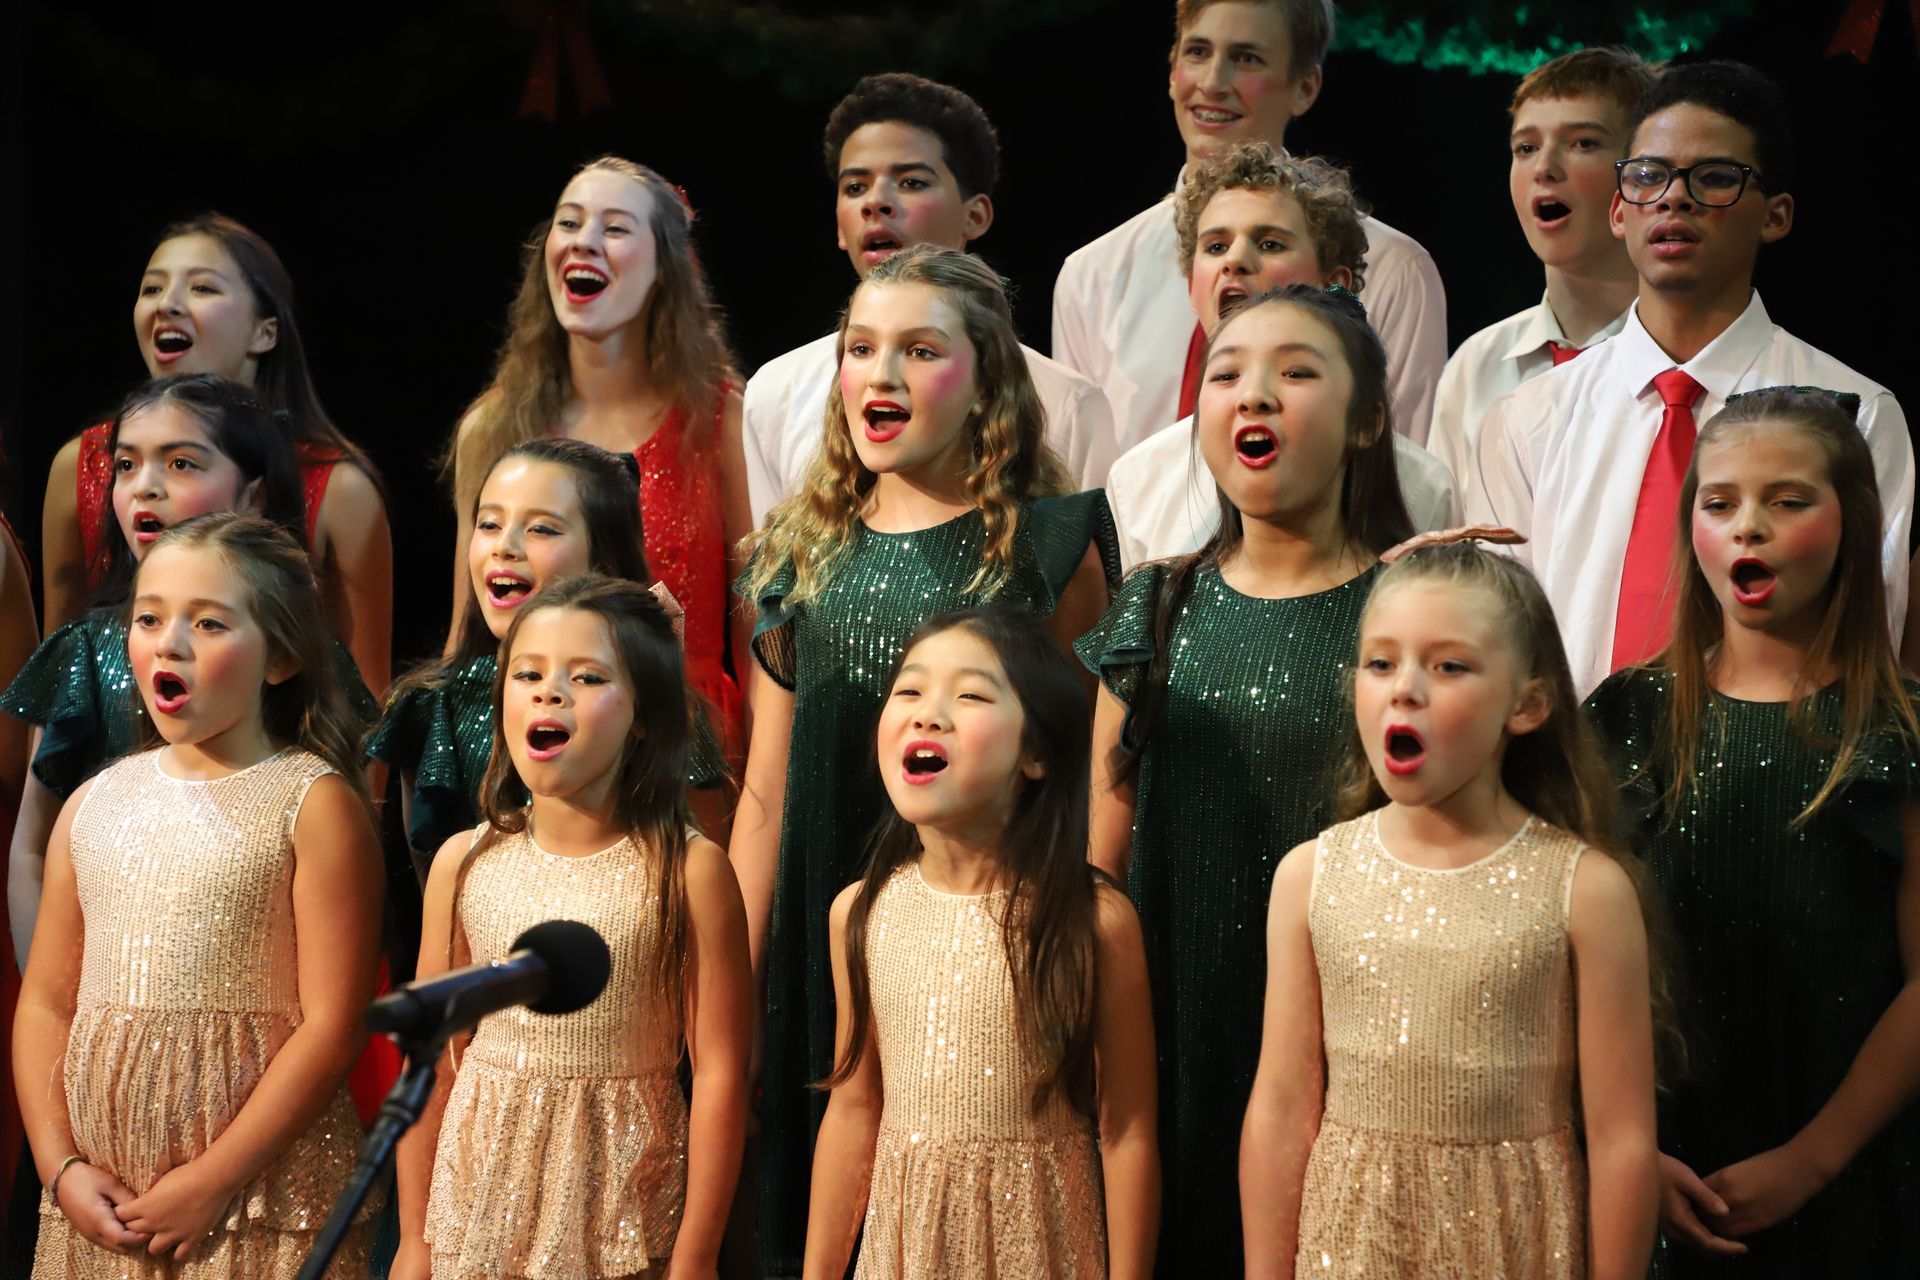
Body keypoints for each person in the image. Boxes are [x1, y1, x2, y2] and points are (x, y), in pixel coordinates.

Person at [730, 245, 1115, 1275]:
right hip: (834, 928)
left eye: (920, 349)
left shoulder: (1046, 544)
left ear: (986, 382)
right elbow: (766, 788)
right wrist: (734, 965)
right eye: (862, 348)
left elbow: (1086, 761)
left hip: (999, 946)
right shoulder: (797, 556)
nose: (881, 374)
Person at [1079, 284, 1410, 1275]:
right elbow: (1102, 850)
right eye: (1227, 374)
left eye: (1296, 372)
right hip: (1177, 1025)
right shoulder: (1157, 603)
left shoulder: (1407, 608)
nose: (1253, 396)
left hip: (1359, 1040)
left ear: (1367, 418)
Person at [1241, 534, 1661, 1278]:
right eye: (1381, 662)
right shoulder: (1311, 877)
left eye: (1449, 665)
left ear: (1527, 704)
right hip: (1354, 1248)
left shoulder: (1585, 890)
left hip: (1515, 1246)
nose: (1405, 688)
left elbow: (1624, 1138)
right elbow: (1279, 1111)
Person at [1585, 388, 1920, 1276]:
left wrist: (1812, 1161)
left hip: (1848, 1179)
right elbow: (1561, 959)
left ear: (1851, 522)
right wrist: (1628, 1150)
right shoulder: (1627, 716)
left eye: (1789, 501)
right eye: (1720, 503)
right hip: (1655, 1168)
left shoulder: (1900, 737)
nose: (1749, 528)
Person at [1468, 60, 1913, 696]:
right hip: (1571, 777)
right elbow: (1501, 638)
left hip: (1777, 772)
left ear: (1775, 215)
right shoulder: (1528, 415)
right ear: (1620, 212)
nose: (1674, 197)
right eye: (1648, 176)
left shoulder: (1854, 412)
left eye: (1714, 178)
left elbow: (1871, 635)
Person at [14, 512, 383, 1277]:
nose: (168, 643)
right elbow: (48, 1002)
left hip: (259, 1206)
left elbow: (334, 1025)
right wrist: (60, 1169)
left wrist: (213, 1182)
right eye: (149, 618)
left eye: (208, 622)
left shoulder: (310, 803)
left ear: (280, 656)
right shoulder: (92, 804)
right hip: (101, 1203)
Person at [392, 575, 751, 1280]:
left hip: (622, 1214)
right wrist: (413, 1238)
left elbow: (721, 1072)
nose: (549, 692)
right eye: (527, 674)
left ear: (643, 714)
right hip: (477, 1211)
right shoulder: (466, 864)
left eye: (586, 677)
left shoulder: (687, 872)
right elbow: (433, 1062)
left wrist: (698, 1255)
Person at [804, 607, 1157, 1278]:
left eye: (968, 696)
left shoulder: (1092, 920)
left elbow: (1128, 1131)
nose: (927, 714)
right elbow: (854, 1112)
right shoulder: (861, 913)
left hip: (1043, 1250)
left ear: (1036, 753)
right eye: (908, 690)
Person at [4, 374, 374, 967]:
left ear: (253, 494)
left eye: (180, 463)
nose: (144, 486)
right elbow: (31, 850)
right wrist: (48, 997)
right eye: (126, 465)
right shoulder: (85, 650)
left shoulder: (293, 650)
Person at [447, 157, 752, 753]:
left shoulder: (722, 422)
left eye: (614, 228)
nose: (584, 242)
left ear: (666, 266)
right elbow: (469, 634)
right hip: (536, 749)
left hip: (684, 754)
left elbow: (757, 633)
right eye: (569, 223)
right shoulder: (492, 426)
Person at [1052, 0, 1447, 450]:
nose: (1213, 83)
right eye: (1197, 52)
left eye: (1246, 59)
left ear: (1305, 87)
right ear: (1172, 70)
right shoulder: (1091, 275)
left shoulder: (1393, 268)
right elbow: (1079, 476)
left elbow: (1406, 475)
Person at [40, 214, 392, 696]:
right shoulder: (81, 464)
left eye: (202, 288)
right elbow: (55, 674)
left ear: (264, 333)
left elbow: (368, 696)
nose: (168, 305)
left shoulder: (339, 487)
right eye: (152, 289)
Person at [744, 72, 1117, 516]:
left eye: (911, 182)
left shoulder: (1066, 402)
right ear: (839, 225)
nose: (875, 203)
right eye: (855, 187)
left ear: (974, 216)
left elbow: (1092, 574)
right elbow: (769, 572)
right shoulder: (777, 391)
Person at [1100, 143, 1455, 569]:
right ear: (1193, 287)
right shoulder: (1139, 481)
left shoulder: (1421, 485)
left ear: (1332, 283)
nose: (1235, 260)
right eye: (1215, 247)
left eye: (1269, 244)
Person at [371, 437, 667, 871]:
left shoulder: (647, 700)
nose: (504, 546)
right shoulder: (434, 705)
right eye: (489, 524)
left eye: (541, 529)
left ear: (603, 555)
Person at [1426, 46, 1652, 483]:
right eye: (1526, 147)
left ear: (1644, 172)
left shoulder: (1683, 365)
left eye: (1583, 143)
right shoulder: (1478, 366)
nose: (1544, 168)